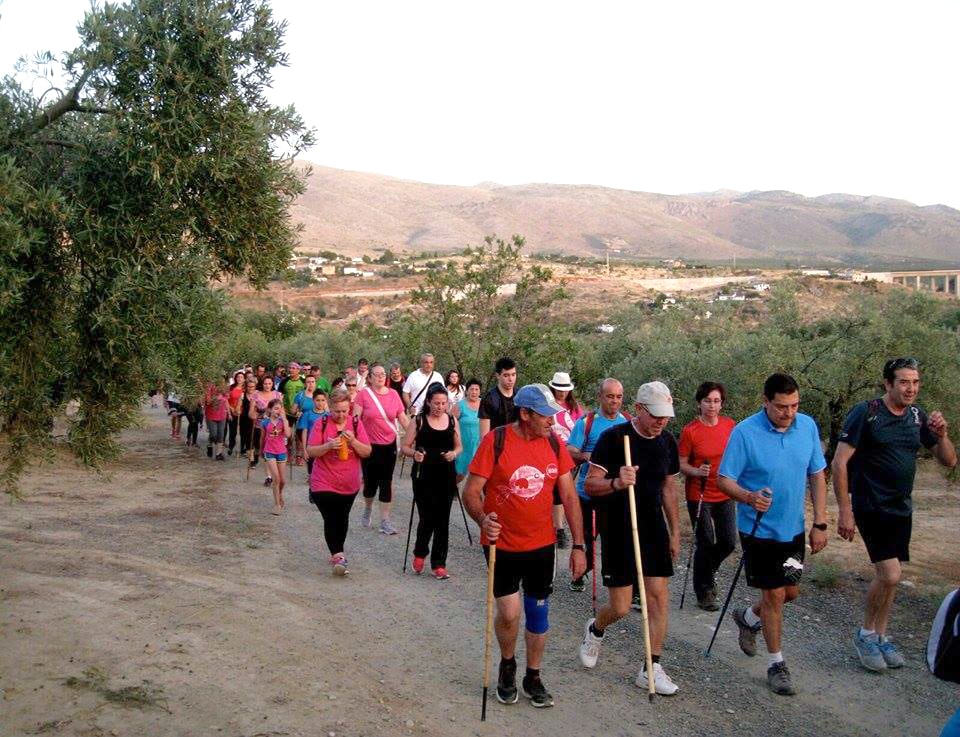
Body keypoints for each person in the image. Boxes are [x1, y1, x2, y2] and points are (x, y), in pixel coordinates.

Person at [463, 384, 586, 709]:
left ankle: (533, 675)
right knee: (509, 612)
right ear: (525, 413)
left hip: (541, 545)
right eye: (544, 415)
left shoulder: (553, 442)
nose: (551, 420)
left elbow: (570, 496)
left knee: (537, 612)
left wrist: (579, 544)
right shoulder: (497, 440)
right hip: (500, 542)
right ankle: (507, 663)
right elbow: (471, 491)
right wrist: (481, 519)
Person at [831, 357, 956, 672]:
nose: (910, 388)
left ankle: (881, 635)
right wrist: (845, 511)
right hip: (871, 506)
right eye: (903, 382)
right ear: (888, 384)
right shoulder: (867, 413)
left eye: (915, 382)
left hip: (902, 507)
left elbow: (949, 462)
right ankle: (865, 634)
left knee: (891, 580)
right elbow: (839, 462)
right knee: (890, 575)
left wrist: (941, 436)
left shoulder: (916, 416)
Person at [717, 373, 828, 696]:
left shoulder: (807, 426)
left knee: (790, 592)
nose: (788, 413)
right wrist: (749, 497)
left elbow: (817, 474)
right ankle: (776, 664)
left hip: (792, 529)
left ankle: (748, 617)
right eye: (781, 406)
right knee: (775, 596)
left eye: (794, 405)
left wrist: (820, 522)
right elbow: (725, 480)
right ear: (765, 402)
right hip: (758, 530)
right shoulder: (745, 433)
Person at [578, 381, 681, 695]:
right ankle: (596, 629)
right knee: (621, 607)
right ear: (638, 409)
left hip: (653, 527)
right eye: (655, 415)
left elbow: (668, 488)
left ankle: (651, 666)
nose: (661, 421)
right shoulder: (613, 439)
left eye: (666, 415)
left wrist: (675, 531)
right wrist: (616, 483)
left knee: (657, 597)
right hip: (619, 528)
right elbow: (591, 485)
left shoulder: (667, 442)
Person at [677, 381, 737, 611]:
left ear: (722, 404)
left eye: (716, 401)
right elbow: (682, 464)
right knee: (705, 542)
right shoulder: (690, 431)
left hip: (724, 490)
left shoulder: (730, 426)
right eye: (707, 401)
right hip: (698, 492)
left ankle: (706, 573)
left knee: (728, 541)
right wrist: (696, 470)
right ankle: (705, 592)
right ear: (699, 403)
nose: (712, 405)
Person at [565, 378, 630, 592]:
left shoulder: (628, 422)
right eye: (610, 396)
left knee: (620, 543)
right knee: (587, 541)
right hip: (588, 493)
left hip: (617, 494)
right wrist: (587, 456)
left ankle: (623, 584)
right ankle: (579, 572)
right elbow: (569, 450)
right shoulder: (587, 423)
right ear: (600, 397)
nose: (614, 401)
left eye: (618, 397)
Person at [306, 388, 372, 575]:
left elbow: (367, 451)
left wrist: (353, 443)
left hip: (349, 483)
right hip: (323, 481)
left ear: (349, 408)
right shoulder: (322, 423)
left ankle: (337, 552)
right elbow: (310, 451)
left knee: (342, 518)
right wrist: (328, 446)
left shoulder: (356, 424)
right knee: (331, 517)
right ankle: (338, 555)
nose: (340, 415)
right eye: (336, 411)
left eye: (344, 411)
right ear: (330, 408)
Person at [402, 384, 463, 578]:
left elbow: (459, 446)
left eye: (444, 403)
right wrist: (414, 454)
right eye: (436, 403)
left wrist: (454, 454)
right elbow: (405, 446)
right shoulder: (419, 420)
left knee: (443, 519)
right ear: (428, 402)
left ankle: (439, 564)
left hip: (445, 473)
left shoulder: (452, 420)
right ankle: (420, 553)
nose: (440, 407)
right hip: (423, 474)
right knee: (427, 516)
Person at [356, 362, 409, 535]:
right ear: (369, 377)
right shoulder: (363, 395)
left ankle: (385, 520)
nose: (381, 376)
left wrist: (415, 434)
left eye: (383, 373)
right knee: (370, 483)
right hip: (369, 446)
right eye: (377, 374)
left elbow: (402, 418)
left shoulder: (394, 394)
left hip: (389, 444)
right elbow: (355, 419)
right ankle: (368, 508)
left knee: (386, 481)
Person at [548, 371, 583, 548]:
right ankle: (558, 528)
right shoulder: (547, 405)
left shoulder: (575, 408)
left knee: (563, 491)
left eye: (565, 389)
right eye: (559, 388)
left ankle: (558, 528)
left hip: (569, 456)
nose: (562, 392)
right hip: (549, 452)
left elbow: (580, 430)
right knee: (556, 491)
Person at [250, 376, 282, 488]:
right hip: (261, 427)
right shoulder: (256, 395)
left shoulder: (278, 395)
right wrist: (256, 414)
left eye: (269, 383)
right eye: (265, 383)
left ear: (272, 384)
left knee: (276, 451)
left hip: (276, 428)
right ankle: (269, 477)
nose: (267, 386)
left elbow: (282, 410)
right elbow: (251, 413)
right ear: (262, 384)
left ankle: (275, 474)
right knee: (266, 451)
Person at [260, 399, 291, 515]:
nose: (278, 411)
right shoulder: (265, 423)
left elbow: (288, 435)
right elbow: (262, 437)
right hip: (269, 451)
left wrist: (285, 419)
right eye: (276, 408)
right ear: (270, 410)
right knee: (276, 478)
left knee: (283, 480)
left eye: (280, 408)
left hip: (281, 451)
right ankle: (277, 504)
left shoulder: (283, 422)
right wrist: (260, 450)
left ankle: (280, 493)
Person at [478, 357, 518, 438]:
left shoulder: (520, 395)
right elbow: (484, 436)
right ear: (498, 375)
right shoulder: (489, 399)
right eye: (506, 375)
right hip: (497, 445)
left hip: (517, 445)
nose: (511, 379)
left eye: (513, 374)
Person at [452, 378, 482, 482]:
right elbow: (450, 425)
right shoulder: (460, 405)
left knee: (478, 473)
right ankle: (451, 488)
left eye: (476, 389)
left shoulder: (484, 405)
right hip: (463, 445)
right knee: (460, 473)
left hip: (479, 445)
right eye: (471, 389)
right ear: (467, 391)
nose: (474, 392)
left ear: (480, 391)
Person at [299, 388, 328, 476]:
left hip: (324, 445)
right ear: (313, 400)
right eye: (318, 400)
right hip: (311, 445)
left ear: (326, 401)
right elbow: (304, 432)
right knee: (311, 468)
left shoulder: (328, 415)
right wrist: (304, 449)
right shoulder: (307, 414)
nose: (320, 403)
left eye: (323, 400)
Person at [281, 362, 306, 463]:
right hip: (288, 412)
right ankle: (289, 452)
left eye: (293, 368)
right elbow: (280, 396)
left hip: (300, 413)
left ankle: (299, 455)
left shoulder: (303, 381)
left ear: (298, 370)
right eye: (289, 368)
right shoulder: (285, 381)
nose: (291, 370)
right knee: (289, 435)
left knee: (299, 435)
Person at [204, 379, 230, 460]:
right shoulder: (209, 388)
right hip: (211, 415)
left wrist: (229, 413)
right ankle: (209, 445)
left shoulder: (225, 389)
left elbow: (226, 401)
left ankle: (219, 454)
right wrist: (216, 397)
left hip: (222, 415)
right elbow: (208, 402)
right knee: (213, 434)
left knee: (221, 435)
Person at [227, 370, 246, 456]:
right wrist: (231, 409)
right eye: (238, 377)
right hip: (232, 411)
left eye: (241, 377)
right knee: (233, 431)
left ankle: (242, 448)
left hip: (242, 413)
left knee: (243, 431)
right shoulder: (231, 387)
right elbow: (226, 399)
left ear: (244, 379)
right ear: (235, 378)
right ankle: (231, 446)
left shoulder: (246, 389)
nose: (239, 379)